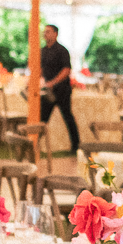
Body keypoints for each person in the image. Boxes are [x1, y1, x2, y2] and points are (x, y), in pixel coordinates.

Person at [39, 24, 80, 152]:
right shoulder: (43, 51)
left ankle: (76, 145)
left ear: (55, 34)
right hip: (47, 90)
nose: (45, 34)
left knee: (67, 116)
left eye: (48, 32)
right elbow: (41, 69)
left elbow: (66, 70)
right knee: (42, 118)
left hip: (62, 90)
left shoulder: (62, 50)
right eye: (44, 32)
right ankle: (35, 143)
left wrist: (53, 82)